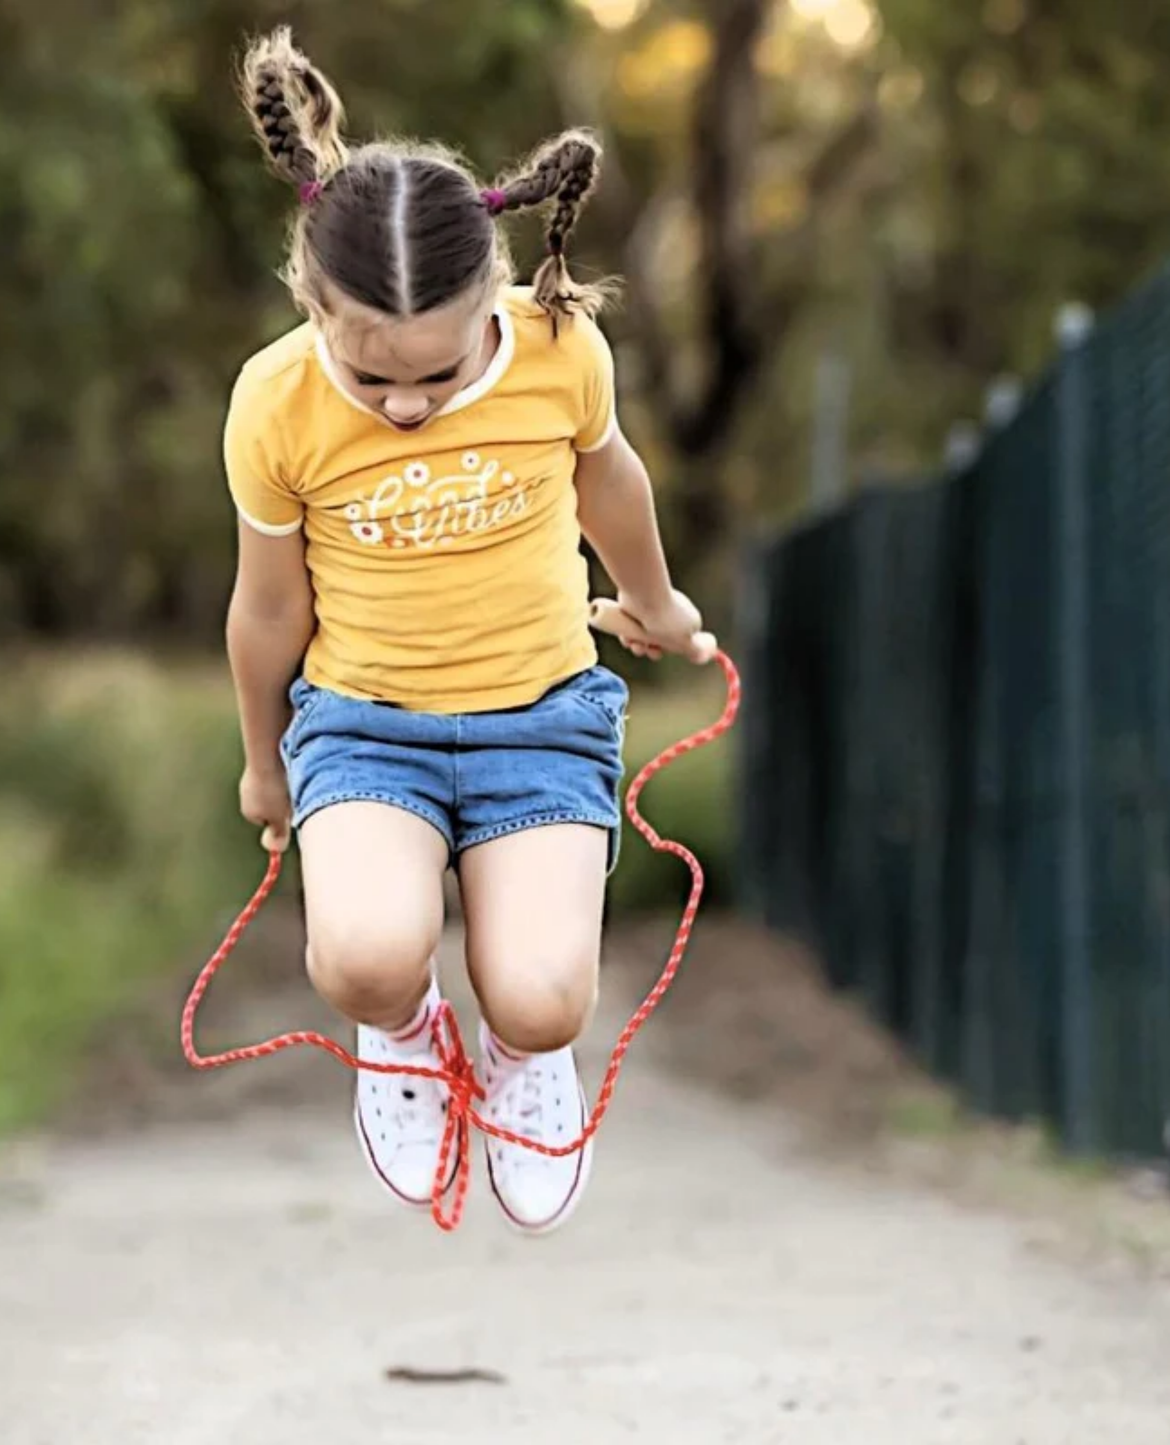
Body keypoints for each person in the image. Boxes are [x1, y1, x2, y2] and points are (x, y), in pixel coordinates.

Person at [224, 28, 714, 1236]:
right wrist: (262, 758)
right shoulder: (273, 402)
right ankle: (404, 1034)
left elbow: (611, 487)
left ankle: (516, 1051)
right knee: (365, 956)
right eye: (371, 373)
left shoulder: (558, 354)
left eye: (434, 379)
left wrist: (654, 600)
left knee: (545, 1000)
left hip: (538, 719)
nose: (402, 406)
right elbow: (269, 604)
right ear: (312, 301)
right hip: (362, 728)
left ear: (490, 292)